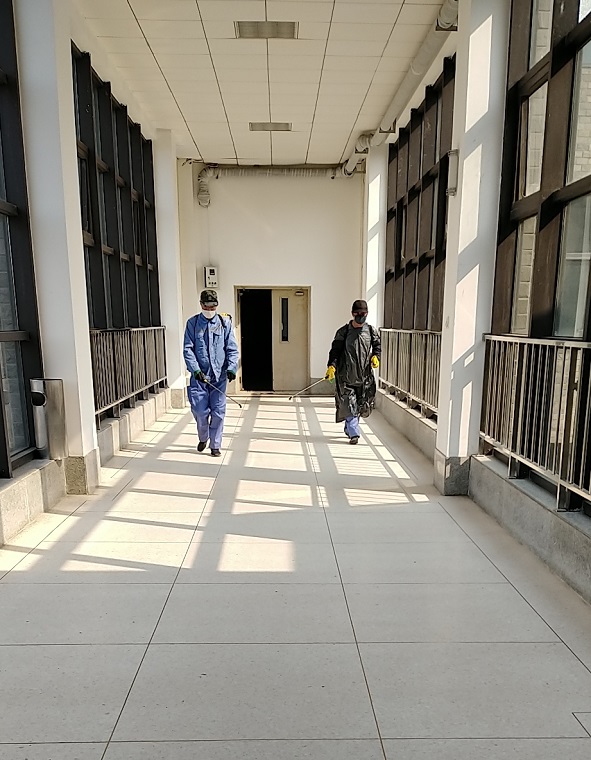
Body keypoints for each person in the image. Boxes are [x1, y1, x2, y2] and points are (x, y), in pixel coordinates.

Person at [183, 289, 239, 457]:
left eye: (213, 306)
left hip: (219, 378)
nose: (210, 310)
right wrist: (195, 370)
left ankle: (215, 445)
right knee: (200, 411)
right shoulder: (193, 323)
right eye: (207, 306)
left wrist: (232, 368)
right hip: (199, 378)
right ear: (201, 304)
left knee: (218, 412)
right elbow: (188, 349)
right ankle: (203, 437)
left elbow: (232, 349)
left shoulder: (224, 324)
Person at [325, 299, 381, 445]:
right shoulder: (343, 332)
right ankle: (354, 433)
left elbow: (377, 347)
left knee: (361, 405)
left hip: (364, 376)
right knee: (349, 404)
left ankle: (349, 427)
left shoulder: (371, 331)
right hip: (346, 376)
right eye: (358, 314)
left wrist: (376, 356)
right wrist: (332, 366)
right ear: (352, 314)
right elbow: (335, 351)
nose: (361, 316)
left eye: (363, 314)